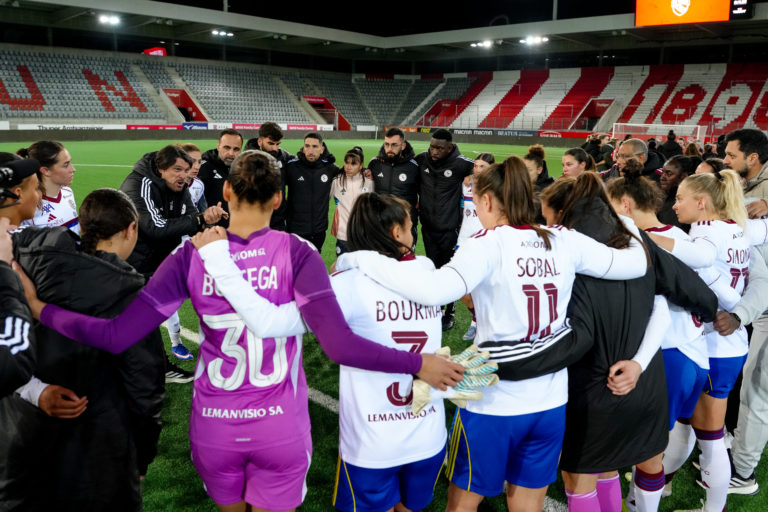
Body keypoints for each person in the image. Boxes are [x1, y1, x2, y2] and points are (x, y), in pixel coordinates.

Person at [16, 150, 463, 512]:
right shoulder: (300, 253)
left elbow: (116, 335)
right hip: (280, 428)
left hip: (216, 426)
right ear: (279, 198)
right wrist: (418, 363)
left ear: (225, 190)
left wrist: (39, 307)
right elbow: (340, 345)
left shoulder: (190, 254)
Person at [335, 156, 650, 512]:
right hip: (549, 399)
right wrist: (625, 220)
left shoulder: (486, 244)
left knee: (464, 502)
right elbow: (637, 264)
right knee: (527, 503)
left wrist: (362, 258)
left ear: (486, 201)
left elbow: (436, 291)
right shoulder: (565, 240)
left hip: (493, 398)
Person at [540, 171, 717, 512]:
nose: (547, 225)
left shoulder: (568, 253)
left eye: (549, 217)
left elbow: (577, 334)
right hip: (645, 378)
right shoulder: (636, 240)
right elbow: (686, 293)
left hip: (596, 381)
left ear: (564, 215)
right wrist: (712, 312)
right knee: (610, 469)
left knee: (579, 480)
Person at [0, 188, 165, 511]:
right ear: (131, 228)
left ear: (84, 228)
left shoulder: (23, 264)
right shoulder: (129, 290)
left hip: (23, 441)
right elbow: (145, 388)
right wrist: (142, 457)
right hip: (100, 451)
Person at [605, 168, 732, 512]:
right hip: (694, 352)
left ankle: (640, 503)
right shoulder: (679, 235)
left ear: (626, 205)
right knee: (678, 433)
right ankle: (648, 495)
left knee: (648, 449)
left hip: (668, 356)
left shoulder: (647, 243)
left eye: (610, 206)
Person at [646, 171, 760, 512]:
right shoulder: (736, 227)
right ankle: (664, 484)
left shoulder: (706, 232)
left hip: (715, 342)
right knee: (692, 428)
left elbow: (707, 271)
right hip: (732, 342)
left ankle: (713, 507)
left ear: (702, 202)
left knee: (709, 436)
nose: (675, 204)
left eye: (681, 198)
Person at [120, 145, 226, 370]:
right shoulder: (140, 184)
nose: (184, 175)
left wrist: (206, 220)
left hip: (162, 260)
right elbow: (154, 227)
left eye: (186, 169)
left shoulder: (180, 186)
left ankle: (174, 359)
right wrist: (200, 220)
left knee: (191, 296)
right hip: (135, 264)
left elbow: (190, 215)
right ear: (160, 169)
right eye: (177, 169)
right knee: (141, 321)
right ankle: (151, 370)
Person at [415, 128, 474, 331]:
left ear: (449, 148)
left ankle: (450, 311)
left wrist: (472, 176)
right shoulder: (422, 159)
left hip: (450, 229)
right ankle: (437, 308)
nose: (434, 151)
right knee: (434, 268)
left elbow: (486, 169)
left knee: (449, 271)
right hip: (428, 227)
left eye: (440, 148)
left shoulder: (461, 164)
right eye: (432, 146)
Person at [457, 153, 495, 341]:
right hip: (464, 241)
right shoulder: (466, 185)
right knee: (463, 289)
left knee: (484, 289)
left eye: (483, 167)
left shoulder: (496, 189)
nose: (478, 170)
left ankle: (479, 324)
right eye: (476, 166)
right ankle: (477, 318)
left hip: (485, 242)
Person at [284, 132, 339, 252]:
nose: (310, 150)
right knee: (294, 266)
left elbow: (349, 177)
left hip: (318, 231)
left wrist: (366, 172)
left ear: (322, 149)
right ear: (303, 148)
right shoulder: (292, 167)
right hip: (295, 230)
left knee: (314, 265)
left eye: (315, 146)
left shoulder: (331, 169)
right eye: (307, 146)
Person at [368, 127, 420, 243]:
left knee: (404, 260)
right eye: (386, 144)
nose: (389, 149)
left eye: (394, 145)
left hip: (404, 227)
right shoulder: (375, 164)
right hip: (380, 225)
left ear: (403, 145)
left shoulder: (414, 166)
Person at [18, 141, 79, 233]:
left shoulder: (68, 192)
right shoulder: (30, 207)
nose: (73, 169)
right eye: (66, 165)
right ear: (46, 171)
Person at [245, 122, 292, 231]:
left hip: (278, 222)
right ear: (260, 141)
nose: (275, 148)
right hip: (254, 222)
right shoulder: (246, 160)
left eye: (278, 144)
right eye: (271, 143)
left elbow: (301, 162)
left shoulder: (283, 157)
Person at [330, 147, 373, 256]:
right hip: (343, 235)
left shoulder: (369, 183)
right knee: (342, 270)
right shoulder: (337, 181)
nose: (348, 167)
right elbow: (322, 200)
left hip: (363, 236)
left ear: (361, 165)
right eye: (346, 162)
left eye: (353, 164)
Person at [723, 128, 768, 219]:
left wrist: (766, 203)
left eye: (732, 156)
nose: (725, 161)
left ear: (752, 158)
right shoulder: (733, 180)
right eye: (726, 155)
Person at [199, 128, 243, 214]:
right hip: (213, 226)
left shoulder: (243, 169)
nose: (231, 153)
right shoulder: (203, 169)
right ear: (218, 146)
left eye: (236, 149)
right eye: (227, 147)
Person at [658, 155, 695, 232]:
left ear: (683, 176)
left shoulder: (686, 204)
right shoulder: (662, 198)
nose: (662, 177)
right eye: (663, 172)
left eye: (669, 174)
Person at [181, 143, 207, 212]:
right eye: (192, 161)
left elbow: (203, 211)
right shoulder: (168, 185)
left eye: (199, 162)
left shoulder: (199, 185)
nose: (197, 167)